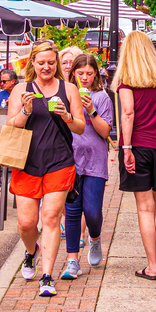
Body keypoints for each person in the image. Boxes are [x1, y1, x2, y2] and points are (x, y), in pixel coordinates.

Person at [5, 41, 86, 297]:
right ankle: (31, 252)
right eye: (41, 63)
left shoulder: (69, 89)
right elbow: (11, 126)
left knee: (50, 218)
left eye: (51, 62)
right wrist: (26, 112)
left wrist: (67, 116)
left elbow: (80, 127)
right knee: (26, 223)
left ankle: (47, 276)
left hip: (59, 161)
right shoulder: (21, 89)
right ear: (33, 63)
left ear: (57, 63)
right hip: (27, 162)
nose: (47, 67)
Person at [113, 32, 156, 281]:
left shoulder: (126, 79)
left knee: (145, 208)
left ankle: (153, 267)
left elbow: (128, 114)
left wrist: (127, 148)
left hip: (139, 146)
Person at [61, 53, 113, 280]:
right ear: (73, 73)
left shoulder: (102, 97)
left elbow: (105, 132)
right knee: (72, 213)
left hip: (94, 159)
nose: (84, 78)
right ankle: (72, 261)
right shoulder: (65, 95)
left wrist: (91, 110)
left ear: (96, 74)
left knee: (92, 212)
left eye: (89, 74)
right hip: (70, 159)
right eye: (80, 73)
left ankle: (95, 238)